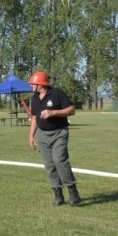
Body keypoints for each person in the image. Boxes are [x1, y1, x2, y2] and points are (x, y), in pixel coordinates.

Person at [28, 71, 81, 206]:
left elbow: (72, 110)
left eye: (33, 83)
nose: (31, 86)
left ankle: (73, 192)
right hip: (43, 135)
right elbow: (34, 117)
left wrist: (53, 112)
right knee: (50, 165)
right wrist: (31, 135)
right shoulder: (34, 98)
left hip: (59, 133)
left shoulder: (57, 93)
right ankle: (58, 194)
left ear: (40, 83)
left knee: (60, 161)